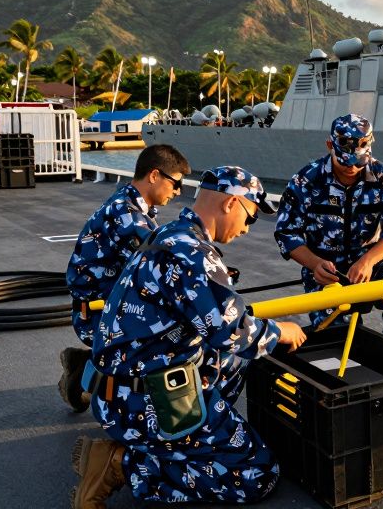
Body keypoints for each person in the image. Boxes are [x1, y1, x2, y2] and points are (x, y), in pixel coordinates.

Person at [71, 166, 306, 508]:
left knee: (232, 365)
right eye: (250, 217)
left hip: (121, 387)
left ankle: (184, 441)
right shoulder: (191, 252)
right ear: (230, 203)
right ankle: (121, 465)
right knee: (257, 476)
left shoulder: (171, 233)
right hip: (143, 402)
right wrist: (281, 330)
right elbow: (232, 332)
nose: (247, 229)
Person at [60, 144, 191, 412]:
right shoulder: (127, 215)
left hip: (111, 302)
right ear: (155, 175)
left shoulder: (133, 205)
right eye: (176, 183)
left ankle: (89, 363)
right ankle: (91, 372)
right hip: (96, 313)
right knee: (172, 336)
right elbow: (161, 262)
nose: (178, 192)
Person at [274, 114, 383, 342]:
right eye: (345, 162)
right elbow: (286, 232)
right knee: (337, 341)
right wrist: (314, 265)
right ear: (329, 145)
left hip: (371, 264)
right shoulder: (306, 180)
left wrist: (368, 261)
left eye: (358, 162)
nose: (351, 167)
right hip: (327, 271)